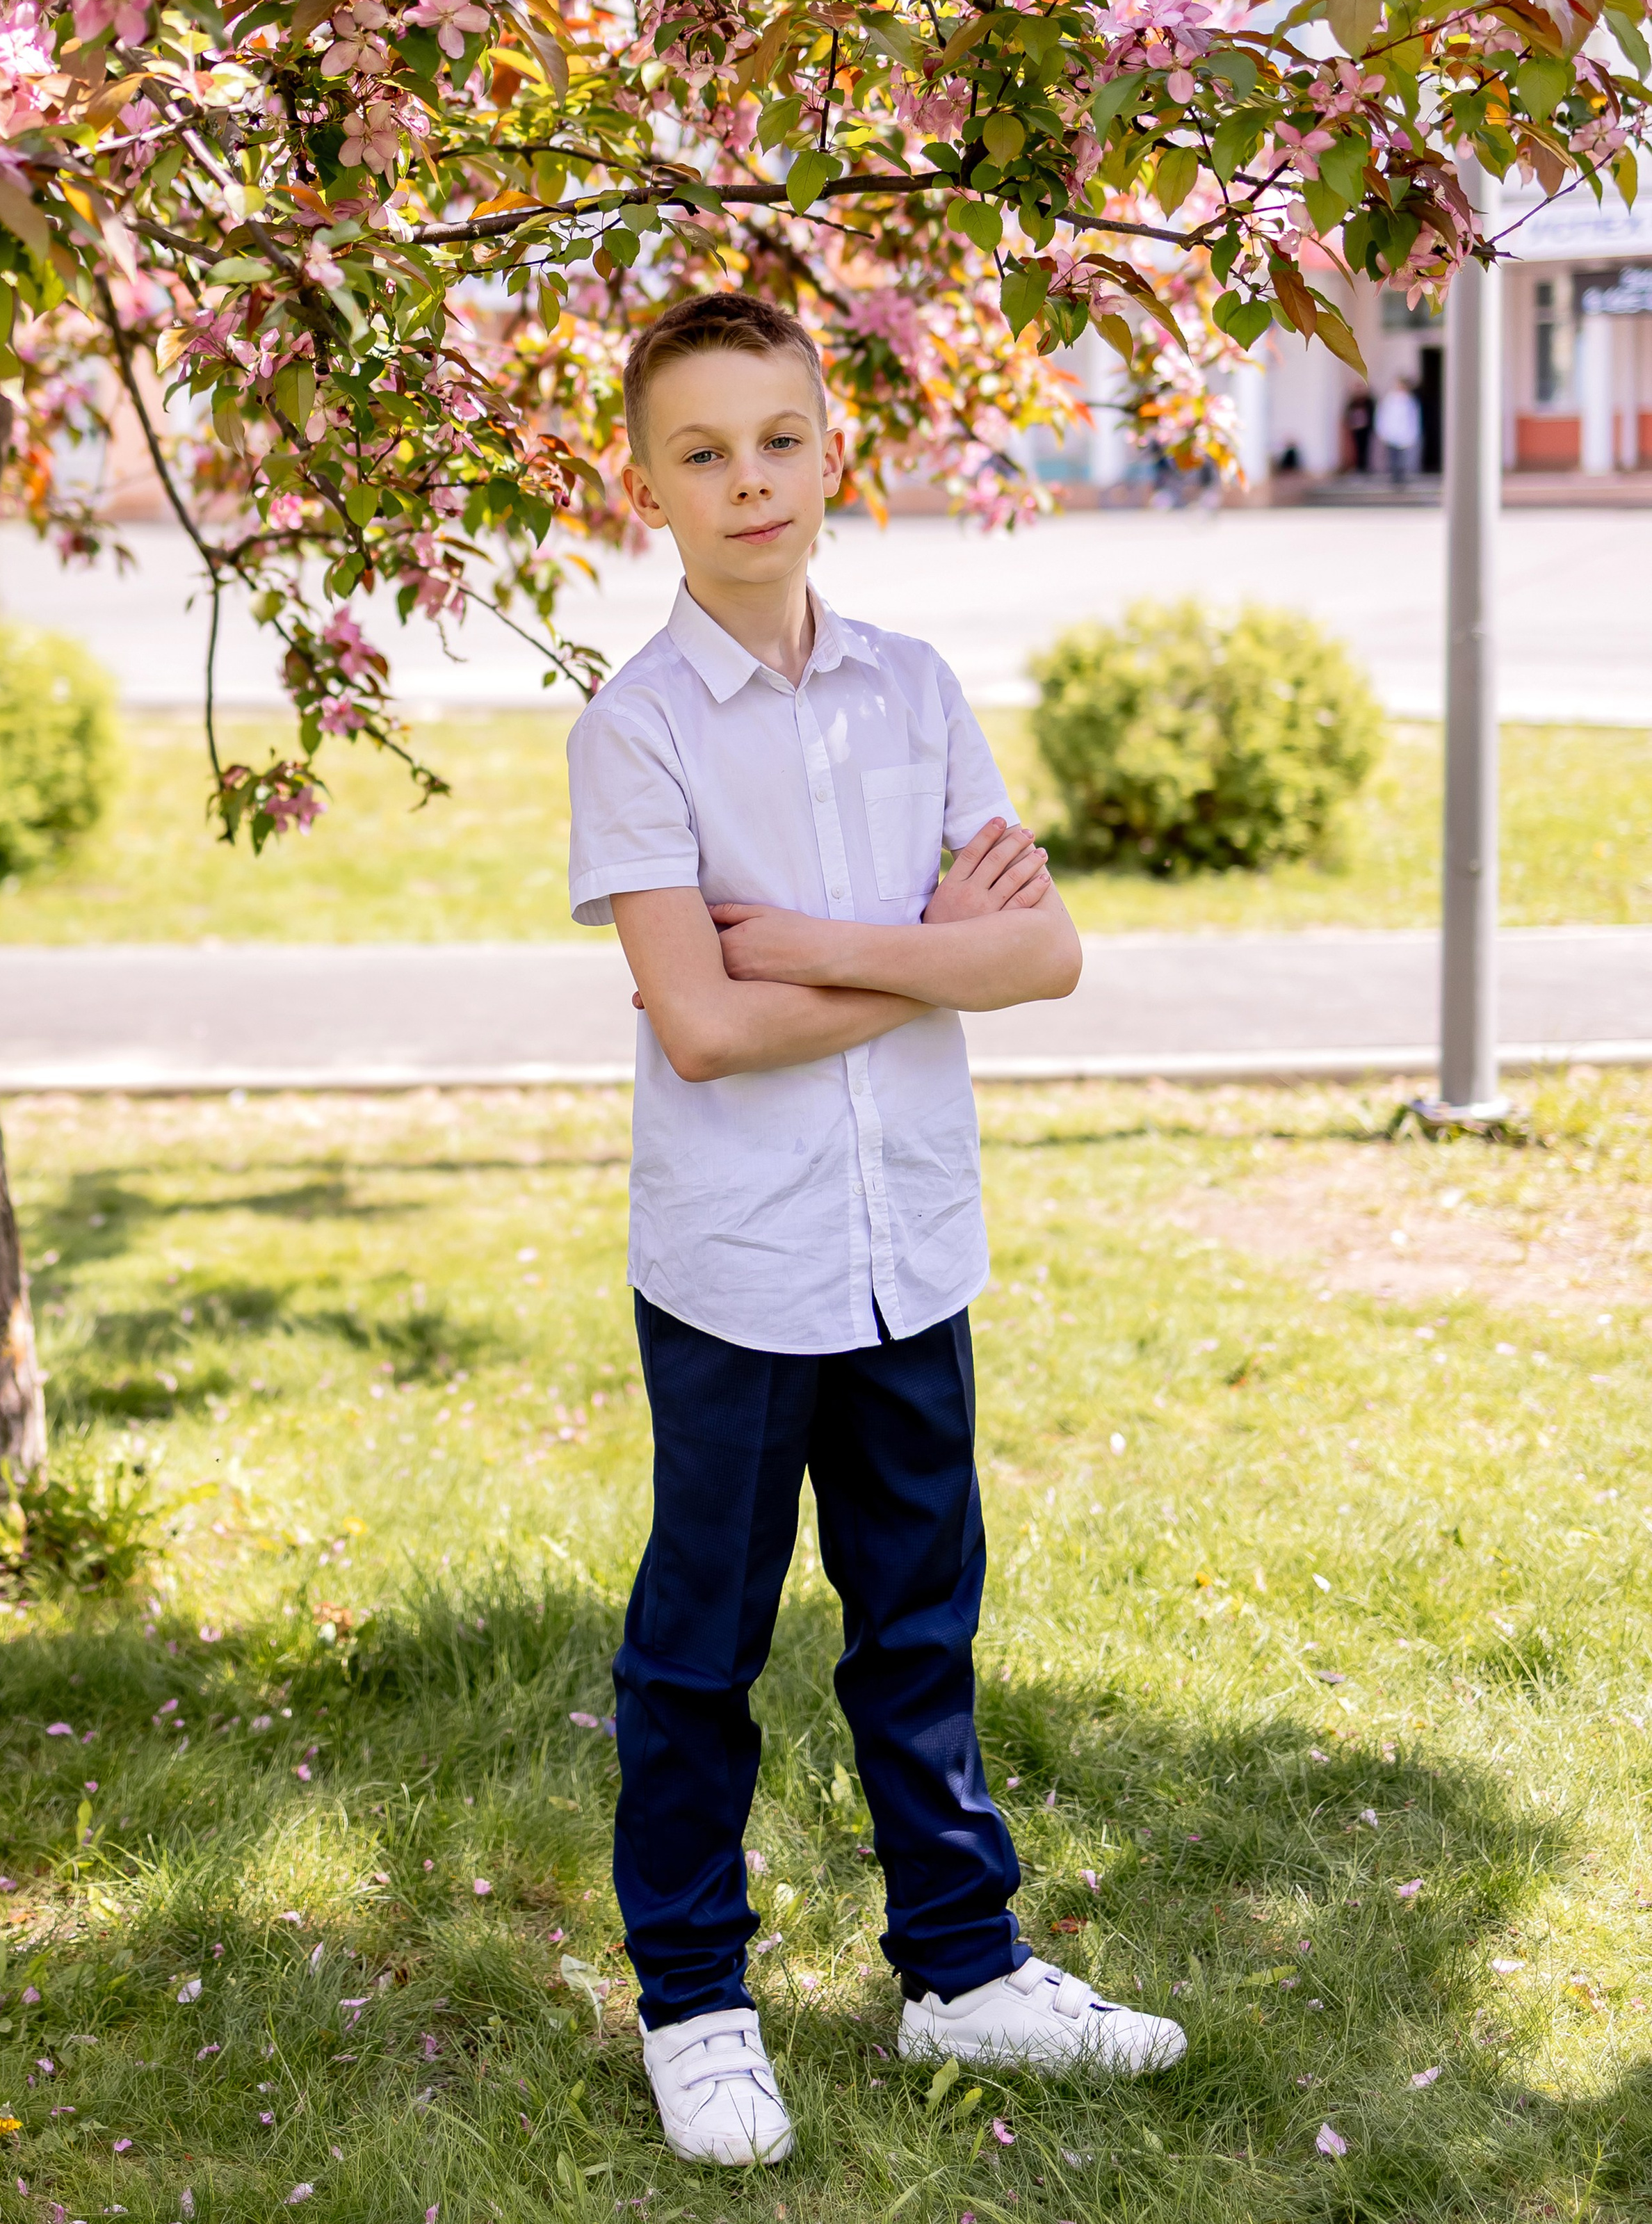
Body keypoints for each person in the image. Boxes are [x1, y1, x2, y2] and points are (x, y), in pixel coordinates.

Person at [567, 289, 1186, 2170]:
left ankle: (962, 1969)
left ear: (831, 452)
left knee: (917, 1623)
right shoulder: (637, 729)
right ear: (648, 488)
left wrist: (819, 946)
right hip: (739, 1267)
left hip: (909, 1243)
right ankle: (695, 2002)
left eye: (780, 439)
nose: (749, 479)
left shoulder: (914, 688)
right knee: (700, 1650)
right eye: (703, 452)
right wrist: (932, 956)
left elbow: (1045, 954)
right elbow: (702, 1026)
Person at [1375, 373, 1422, 487]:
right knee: (1393, 457)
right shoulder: (1389, 399)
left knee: (1403, 458)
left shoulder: (1410, 401)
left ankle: (1401, 477)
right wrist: (1382, 431)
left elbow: (1414, 418)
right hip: (1392, 433)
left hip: (1404, 434)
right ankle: (1394, 477)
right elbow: (1382, 416)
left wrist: (1413, 434)